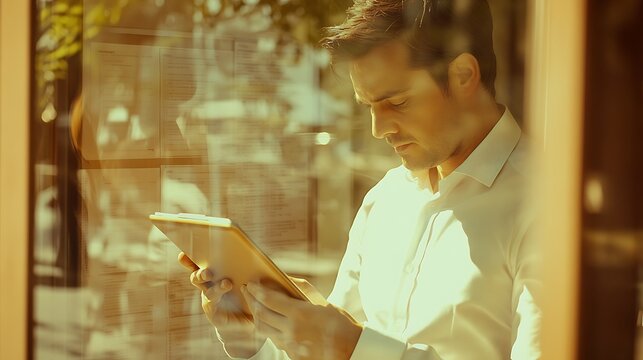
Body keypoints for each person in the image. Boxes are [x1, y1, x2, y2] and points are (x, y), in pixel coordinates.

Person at [179, 0, 541, 359]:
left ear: (463, 76)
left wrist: (354, 347)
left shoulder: (545, 208)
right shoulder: (386, 200)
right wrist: (251, 338)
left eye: (397, 102)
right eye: (368, 106)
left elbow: (347, 350)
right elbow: (329, 353)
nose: (378, 128)